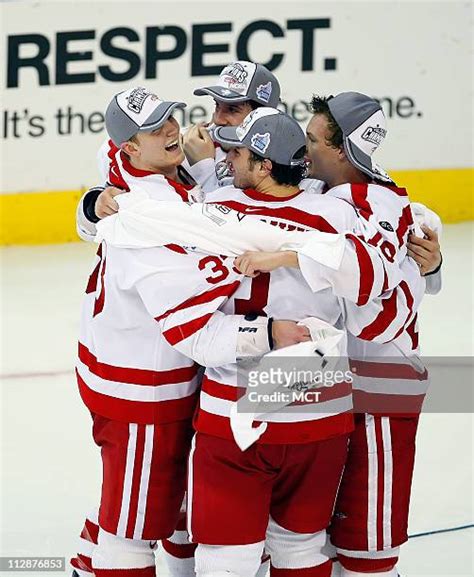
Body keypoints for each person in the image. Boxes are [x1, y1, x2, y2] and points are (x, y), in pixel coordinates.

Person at [95, 107, 426, 577]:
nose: (225, 158)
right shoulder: (338, 214)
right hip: (317, 409)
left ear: (265, 165)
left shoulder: (216, 209)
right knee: (303, 549)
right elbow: (378, 306)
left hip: (236, 409)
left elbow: (138, 224)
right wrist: (413, 267)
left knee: (225, 559)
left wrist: (103, 207)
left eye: (236, 151)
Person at [71, 88, 309, 577]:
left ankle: (85, 557)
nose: (170, 130)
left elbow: (104, 190)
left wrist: (92, 204)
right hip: (141, 383)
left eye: (169, 118)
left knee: (141, 496)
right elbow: (193, 331)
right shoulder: (149, 214)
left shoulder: (142, 168)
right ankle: (96, 562)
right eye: (153, 129)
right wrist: (268, 332)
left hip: (143, 369)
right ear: (128, 148)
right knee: (134, 526)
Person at [233, 93, 440, 577]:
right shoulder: (332, 193)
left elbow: (377, 318)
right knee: (300, 529)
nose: (303, 153)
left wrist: (411, 271)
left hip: (377, 387)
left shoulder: (367, 205)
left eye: (311, 141)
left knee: (364, 543)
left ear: (343, 150)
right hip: (328, 384)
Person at [76, 61, 281, 235]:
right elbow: (91, 224)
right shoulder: (179, 144)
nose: (218, 119)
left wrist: (205, 170)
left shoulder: (285, 155)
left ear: (265, 114)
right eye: (217, 105)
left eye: (233, 109)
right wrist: (94, 204)